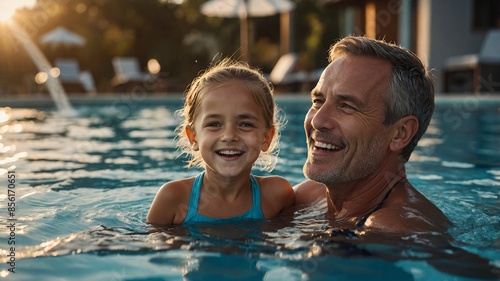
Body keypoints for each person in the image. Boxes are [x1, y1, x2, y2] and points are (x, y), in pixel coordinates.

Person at [294, 36, 452, 233]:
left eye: (346, 106)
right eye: (318, 101)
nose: (317, 121)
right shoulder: (308, 196)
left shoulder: (392, 227)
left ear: (400, 133)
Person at [147, 59, 294, 225]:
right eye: (214, 124)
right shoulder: (174, 198)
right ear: (193, 137)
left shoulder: (276, 194)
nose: (229, 136)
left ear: (266, 138)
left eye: (245, 124)